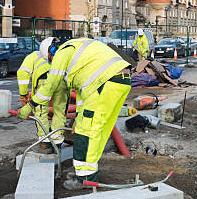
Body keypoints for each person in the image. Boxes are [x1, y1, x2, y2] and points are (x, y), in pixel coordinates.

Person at [17, 37, 131, 190]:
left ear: (51, 53)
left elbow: (50, 86)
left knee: (86, 132)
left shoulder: (62, 53)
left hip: (104, 83)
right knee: (97, 130)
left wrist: (29, 105)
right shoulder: (77, 50)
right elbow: (82, 93)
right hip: (118, 81)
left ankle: (85, 179)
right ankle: (85, 174)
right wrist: (78, 117)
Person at [17, 49, 69, 153]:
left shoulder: (34, 55)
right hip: (61, 81)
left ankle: (45, 140)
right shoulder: (61, 53)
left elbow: (22, 73)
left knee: (40, 109)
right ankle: (57, 139)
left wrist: (23, 94)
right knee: (60, 109)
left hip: (42, 81)